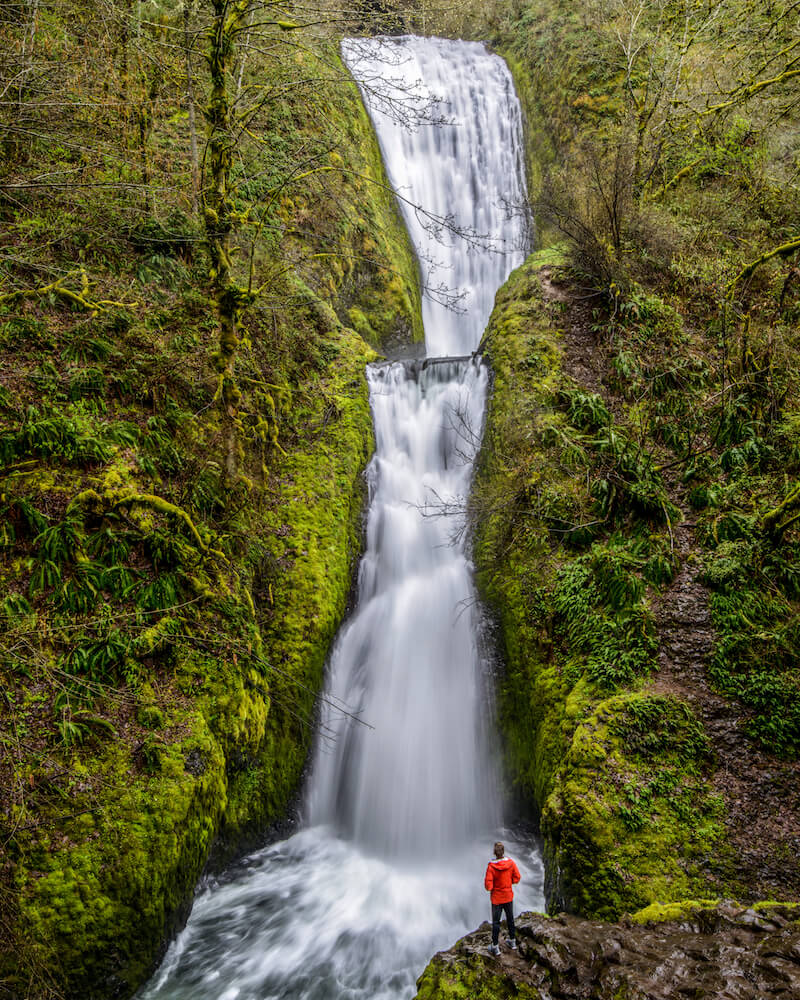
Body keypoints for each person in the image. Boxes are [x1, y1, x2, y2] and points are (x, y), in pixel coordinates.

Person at [484, 841, 520, 956]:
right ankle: (513, 941)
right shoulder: (511, 863)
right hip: (508, 896)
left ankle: (495, 946)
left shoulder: (491, 866)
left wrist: (495, 886)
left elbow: (488, 886)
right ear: (503, 852)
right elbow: (517, 877)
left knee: (496, 923)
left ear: (494, 853)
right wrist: (509, 882)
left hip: (497, 899)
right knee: (510, 919)